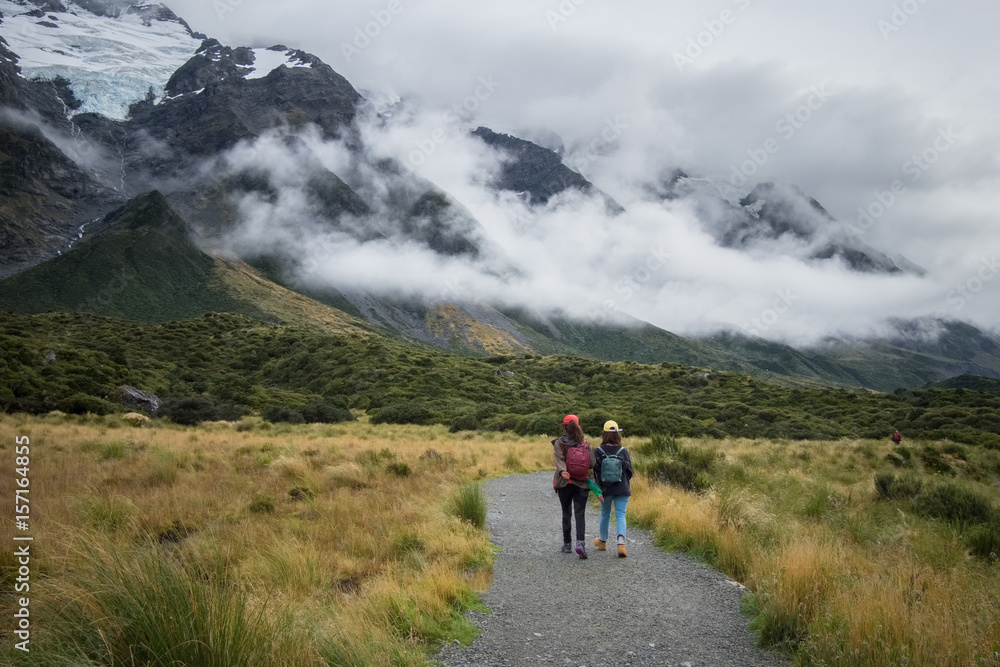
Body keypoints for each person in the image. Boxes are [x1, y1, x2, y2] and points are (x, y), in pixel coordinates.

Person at [552, 414, 595, 559]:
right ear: (578, 425)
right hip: (581, 483)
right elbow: (592, 463)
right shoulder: (585, 443)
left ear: (564, 426)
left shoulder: (559, 442)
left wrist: (564, 471)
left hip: (564, 483)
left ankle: (567, 544)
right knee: (580, 513)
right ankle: (580, 543)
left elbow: (559, 459)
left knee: (566, 512)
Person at [593, 420, 633, 557]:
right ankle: (621, 544)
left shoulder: (598, 451)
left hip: (605, 489)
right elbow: (630, 471)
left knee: (605, 514)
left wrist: (599, 489)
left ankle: (602, 542)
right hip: (622, 488)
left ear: (604, 434)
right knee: (621, 514)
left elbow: (596, 472)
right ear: (618, 434)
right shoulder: (623, 451)